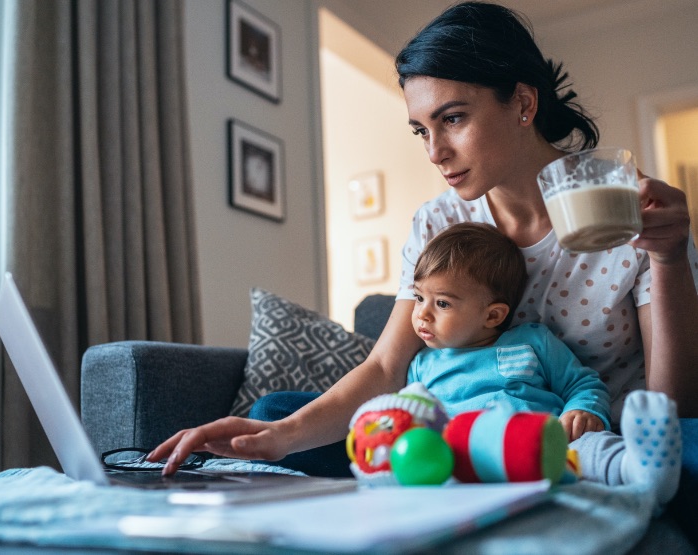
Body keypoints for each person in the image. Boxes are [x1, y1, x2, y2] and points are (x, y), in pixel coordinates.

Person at [147, 1, 698, 481]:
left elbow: (674, 408)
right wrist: (276, 434)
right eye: (421, 130)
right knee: (276, 412)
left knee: (690, 448)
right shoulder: (438, 222)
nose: (434, 151)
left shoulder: (628, 207)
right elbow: (387, 369)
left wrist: (670, 258)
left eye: (452, 118)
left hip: (597, 445)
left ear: (524, 105)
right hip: (457, 438)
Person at [403, 222, 680, 503]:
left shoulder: (532, 341)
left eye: (442, 304)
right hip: (472, 458)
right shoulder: (422, 366)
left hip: (548, 446)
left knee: (590, 449)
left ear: (493, 316)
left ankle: (640, 471)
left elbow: (582, 383)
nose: (422, 314)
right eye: (419, 297)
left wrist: (584, 410)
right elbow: (412, 417)